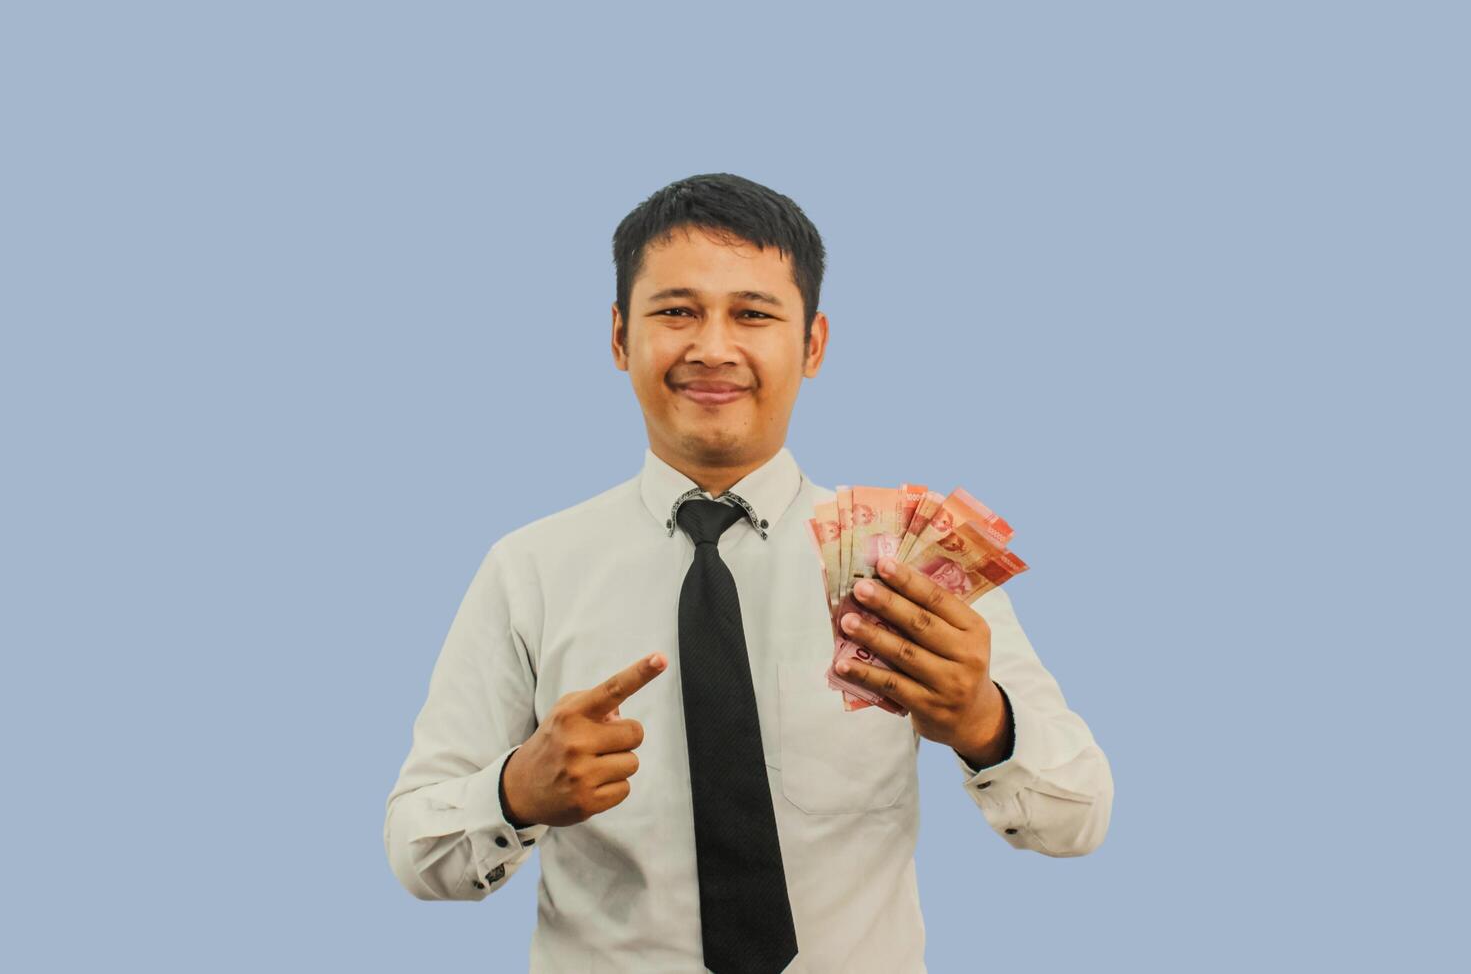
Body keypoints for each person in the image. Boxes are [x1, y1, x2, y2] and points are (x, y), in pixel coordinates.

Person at [383, 172, 1113, 972]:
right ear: (620, 337)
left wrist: (982, 723)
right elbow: (417, 850)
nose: (713, 347)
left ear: (813, 344)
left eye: (753, 314)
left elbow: (1076, 820)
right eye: (675, 312)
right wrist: (514, 792)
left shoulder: (908, 565)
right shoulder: (528, 569)